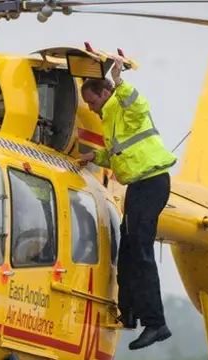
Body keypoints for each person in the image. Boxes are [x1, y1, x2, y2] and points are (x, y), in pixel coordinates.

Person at [76, 54, 177, 350]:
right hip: (138, 185)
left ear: (104, 93)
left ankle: (155, 323)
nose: (92, 110)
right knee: (130, 247)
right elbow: (122, 154)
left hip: (151, 182)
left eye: (92, 103)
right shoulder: (110, 118)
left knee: (141, 249)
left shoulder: (123, 106)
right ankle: (129, 310)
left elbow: (138, 104)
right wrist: (96, 156)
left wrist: (119, 78)